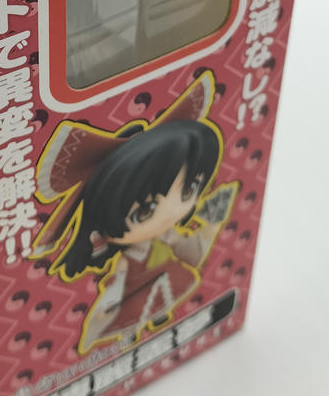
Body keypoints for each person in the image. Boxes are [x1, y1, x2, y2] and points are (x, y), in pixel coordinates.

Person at [32, 71, 238, 353]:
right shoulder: (128, 257)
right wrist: (108, 304)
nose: (170, 214)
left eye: (189, 190)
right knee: (133, 313)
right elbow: (117, 283)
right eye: (145, 210)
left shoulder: (167, 235)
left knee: (164, 294)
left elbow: (189, 254)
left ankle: (156, 323)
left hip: (162, 281)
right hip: (135, 289)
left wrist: (209, 229)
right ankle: (128, 336)